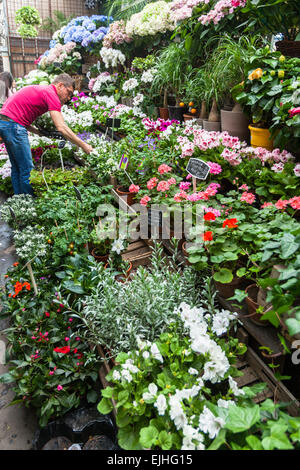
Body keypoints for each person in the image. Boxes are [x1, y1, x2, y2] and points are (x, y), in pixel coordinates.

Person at [0, 73, 94, 195]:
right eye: (69, 92)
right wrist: (84, 146)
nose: (69, 98)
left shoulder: (44, 91)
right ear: (60, 85)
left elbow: (19, 117)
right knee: (27, 170)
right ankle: (29, 204)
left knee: (17, 167)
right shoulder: (52, 94)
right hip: (13, 125)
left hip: (6, 122)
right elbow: (61, 127)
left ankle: (20, 199)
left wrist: (38, 132)